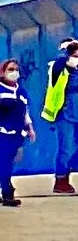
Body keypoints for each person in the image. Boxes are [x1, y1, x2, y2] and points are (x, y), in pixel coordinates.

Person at [43, 30, 78, 189]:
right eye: (73, 54)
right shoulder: (56, 69)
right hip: (64, 114)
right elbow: (60, 61)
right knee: (65, 147)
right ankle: (61, 179)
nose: (76, 58)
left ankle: (67, 169)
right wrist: (68, 48)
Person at [0, 58, 31, 205]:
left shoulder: (21, 91)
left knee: (8, 162)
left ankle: (6, 190)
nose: (14, 72)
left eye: (16, 70)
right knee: (4, 162)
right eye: (10, 70)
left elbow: (25, 112)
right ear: (3, 72)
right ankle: (7, 193)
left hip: (17, 134)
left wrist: (29, 128)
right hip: (2, 133)